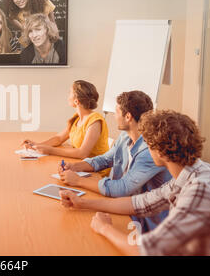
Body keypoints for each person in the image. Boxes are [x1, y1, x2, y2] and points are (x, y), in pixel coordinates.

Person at [60, 110, 210, 256]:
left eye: (148, 143)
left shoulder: (199, 189)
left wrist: (105, 228)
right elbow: (140, 203)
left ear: (159, 152)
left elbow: (148, 251)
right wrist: (82, 203)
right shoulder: (186, 175)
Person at [59, 91, 172, 232]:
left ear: (128, 116)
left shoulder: (150, 150)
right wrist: (75, 167)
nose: (113, 115)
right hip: (123, 207)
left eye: (116, 111)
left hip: (144, 223)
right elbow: (105, 159)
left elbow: (122, 188)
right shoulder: (125, 135)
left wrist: (77, 181)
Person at [22, 80, 109, 162]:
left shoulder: (95, 121)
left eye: (70, 93)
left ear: (76, 101)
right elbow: (59, 139)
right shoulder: (77, 119)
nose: (68, 96)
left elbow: (83, 153)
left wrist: (50, 150)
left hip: (97, 171)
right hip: (81, 164)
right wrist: (37, 145)